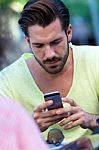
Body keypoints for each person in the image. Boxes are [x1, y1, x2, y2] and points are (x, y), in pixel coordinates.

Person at [0, 0, 99, 149]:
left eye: (56, 42)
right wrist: (28, 126)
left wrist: (92, 121)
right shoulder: (7, 81)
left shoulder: (95, 60)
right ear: (28, 41)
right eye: (39, 45)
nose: (49, 54)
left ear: (69, 32)